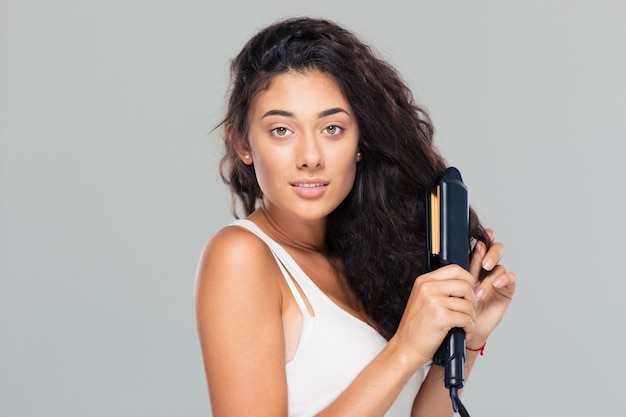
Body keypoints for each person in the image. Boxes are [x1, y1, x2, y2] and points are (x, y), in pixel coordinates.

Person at [195, 16, 516, 417]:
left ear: (360, 143)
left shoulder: (365, 262)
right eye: (281, 130)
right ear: (242, 143)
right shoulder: (241, 256)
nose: (310, 157)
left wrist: (470, 336)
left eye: (332, 128)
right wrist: (404, 350)